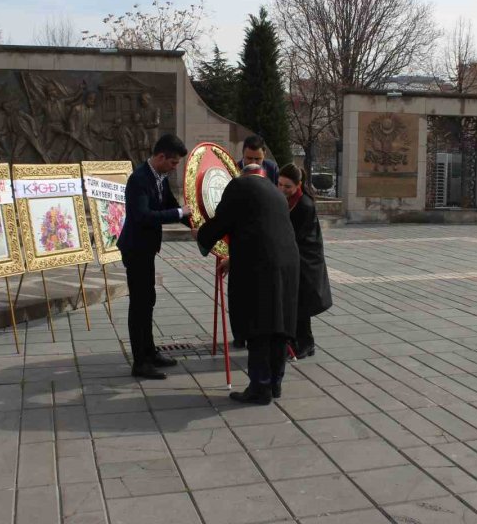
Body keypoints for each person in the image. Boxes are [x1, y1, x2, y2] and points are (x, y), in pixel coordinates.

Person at [197, 164, 300, 405]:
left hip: (260, 269)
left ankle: (260, 387)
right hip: (287, 265)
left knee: (259, 325)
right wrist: (233, 260)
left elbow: (223, 220)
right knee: (279, 325)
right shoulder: (276, 192)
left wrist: (202, 237)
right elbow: (261, 230)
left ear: (241, 174)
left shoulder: (239, 186)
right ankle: (275, 384)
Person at [118, 134, 192, 380]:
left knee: (147, 301)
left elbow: (170, 205)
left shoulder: (159, 177)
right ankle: (140, 362)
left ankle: (150, 352)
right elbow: (143, 216)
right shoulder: (139, 179)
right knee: (139, 304)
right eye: (173, 163)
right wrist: (179, 212)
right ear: (161, 157)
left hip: (147, 249)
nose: (175, 168)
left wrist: (195, 221)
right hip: (135, 249)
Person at [277, 164, 333, 359]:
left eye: (287, 186)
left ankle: (306, 343)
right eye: (280, 184)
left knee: (301, 304)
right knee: (295, 303)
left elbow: (294, 235)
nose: (282, 189)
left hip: (307, 261)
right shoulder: (289, 200)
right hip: (296, 258)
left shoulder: (304, 204)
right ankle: (296, 341)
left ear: (298, 185)